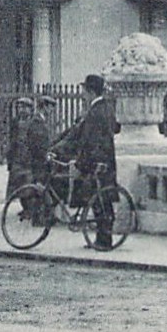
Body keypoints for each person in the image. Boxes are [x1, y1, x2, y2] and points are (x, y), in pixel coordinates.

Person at [52, 73, 120, 249]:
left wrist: (88, 162)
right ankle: (101, 238)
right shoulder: (103, 108)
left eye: (84, 90)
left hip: (98, 163)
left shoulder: (96, 111)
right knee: (98, 200)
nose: (82, 94)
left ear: (90, 92)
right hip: (101, 162)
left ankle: (104, 241)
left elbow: (93, 140)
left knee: (100, 202)